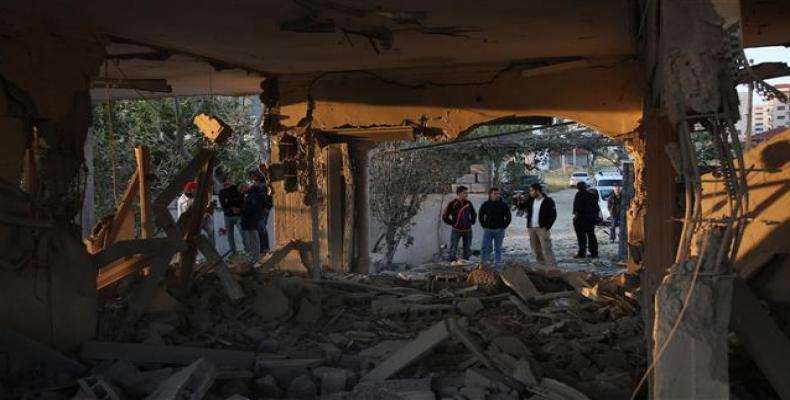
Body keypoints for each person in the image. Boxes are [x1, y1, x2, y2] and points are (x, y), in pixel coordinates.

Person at [516, 183, 558, 267]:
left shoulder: (548, 201)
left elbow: (553, 215)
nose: (530, 193)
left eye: (532, 191)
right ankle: (541, 266)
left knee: (546, 248)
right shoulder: (531, 200)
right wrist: (518, 198)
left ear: (537, 191)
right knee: (536, 249)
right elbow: (521, 207)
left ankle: (552, 268)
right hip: (532, 228)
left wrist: (547, 226)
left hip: (542, 228)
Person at [478, 187, 511, 271]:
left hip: (499, 230)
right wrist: (484, 225)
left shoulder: (503, 205)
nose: (497, 195)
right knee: (484, 248)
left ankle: (497, 265)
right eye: (495, 194)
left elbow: (508, 217)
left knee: (498, 249)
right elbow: (481, 215)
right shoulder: (485, 204)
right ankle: (483, 264)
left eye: (498, 194)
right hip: (488, 230)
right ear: (490, 194)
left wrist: (503, 227)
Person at [442, 185, 477, 262]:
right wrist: (453, 223)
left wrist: (472, 222)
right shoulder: (452, 203)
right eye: (465, 193)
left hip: (468, 230)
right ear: (459, 193)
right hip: (456, 230)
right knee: (453, 247)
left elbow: (474, 214)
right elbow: (444, 216)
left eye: (467, 193)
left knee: (467, 248)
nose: (467, 195)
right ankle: (452, 262)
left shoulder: (468, 203)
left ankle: (466, 263)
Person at [572, 181, 600, 258]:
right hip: (590, 220)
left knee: (581, 238)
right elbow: (597, 208)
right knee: (591, 236)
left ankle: (582, 252)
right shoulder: (592, 195)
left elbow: (578, 208)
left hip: (581, 220)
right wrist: (596, 218)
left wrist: (575, 218)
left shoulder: (579, 195)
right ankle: (594, 252)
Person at [248, 168, 273, 253]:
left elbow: (270, 195)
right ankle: (261, 248)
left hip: (265, 209)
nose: (254, 177)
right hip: (257, 211)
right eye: (252, 176)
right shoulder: (254, 186)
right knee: (259, 228)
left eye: (254, 175)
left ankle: (266, 247)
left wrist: (268, 207)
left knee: (262, 227)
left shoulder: (265, 183)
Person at [239, 182, 264, 262]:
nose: (243, 192)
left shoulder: (255, 194)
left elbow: (254, 209)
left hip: (252, 220)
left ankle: (256, 257)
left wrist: (242, 211)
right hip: (248, 221)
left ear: (245, 187)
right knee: (251, 240)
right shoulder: (251, 194)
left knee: (254, 239)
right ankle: (254, 257)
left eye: (242, 190)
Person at [218, 179, 244, 253]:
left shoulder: (237, 190)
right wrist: (232, 207)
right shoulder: (221, 192)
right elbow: (223, 204)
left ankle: (247, 249)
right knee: (230, 236)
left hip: (238, 215)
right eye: (224, 182)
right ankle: (234, 252)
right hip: (228, 216)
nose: (226, 183)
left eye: (227, 181)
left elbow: (241, 200)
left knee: (243, 233)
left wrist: (228, 201)